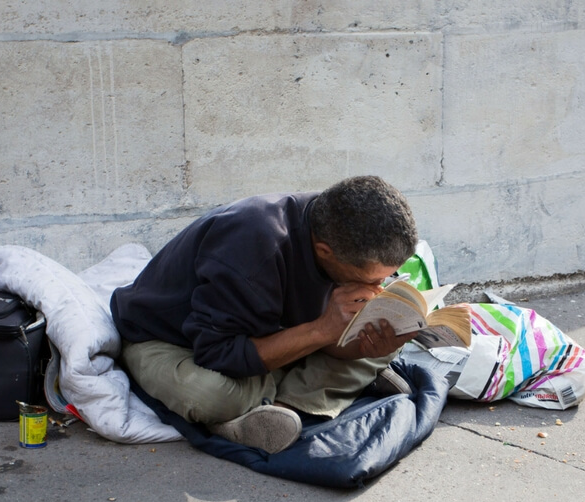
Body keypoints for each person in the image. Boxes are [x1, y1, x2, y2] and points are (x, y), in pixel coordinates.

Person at [111, 175, 419, 454]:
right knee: (211, 396)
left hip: (276, 333)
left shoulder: (339, 225)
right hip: (171, 340)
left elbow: (320, 326)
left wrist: (361, 346)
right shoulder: (252, 248)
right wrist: (321, 331)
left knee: (387, 339)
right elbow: (219, 354)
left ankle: (278, 410)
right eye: (371, 280)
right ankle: (284, 406)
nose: (379, 286)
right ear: (326, 251)